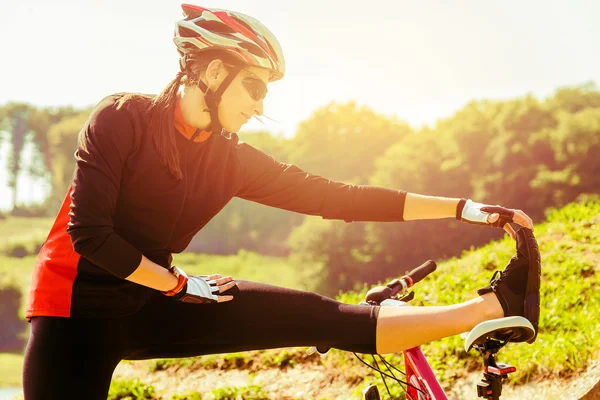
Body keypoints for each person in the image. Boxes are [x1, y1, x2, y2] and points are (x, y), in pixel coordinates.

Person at [22, 4, 540, 399]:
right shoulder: (121, 119)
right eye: (253, 85)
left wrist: (462, 208)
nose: (260, 103)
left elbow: (338, 198)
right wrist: (179, 283)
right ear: (212, 71)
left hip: (159, 300)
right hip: (74, 318)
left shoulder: (229, 159)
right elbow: (88, 235)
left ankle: (494, 307)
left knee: (318, 314)